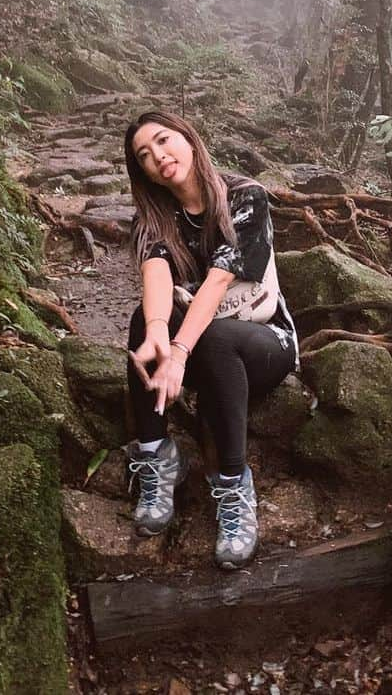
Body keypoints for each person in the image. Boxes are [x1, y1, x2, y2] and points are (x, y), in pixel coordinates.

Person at [123, 110, 297, 570]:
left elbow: (220, 281)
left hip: (263, 343)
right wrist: (160, 333)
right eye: (144, 155)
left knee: (218, 337)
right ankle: (156, 454)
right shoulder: (153, 220)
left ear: (188, 137)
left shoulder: (245, 196)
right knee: (143, 322)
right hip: (197, 348)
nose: (158, 156)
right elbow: (156, 278)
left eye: (163, 141)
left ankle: (235, 487)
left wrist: (179, 353)